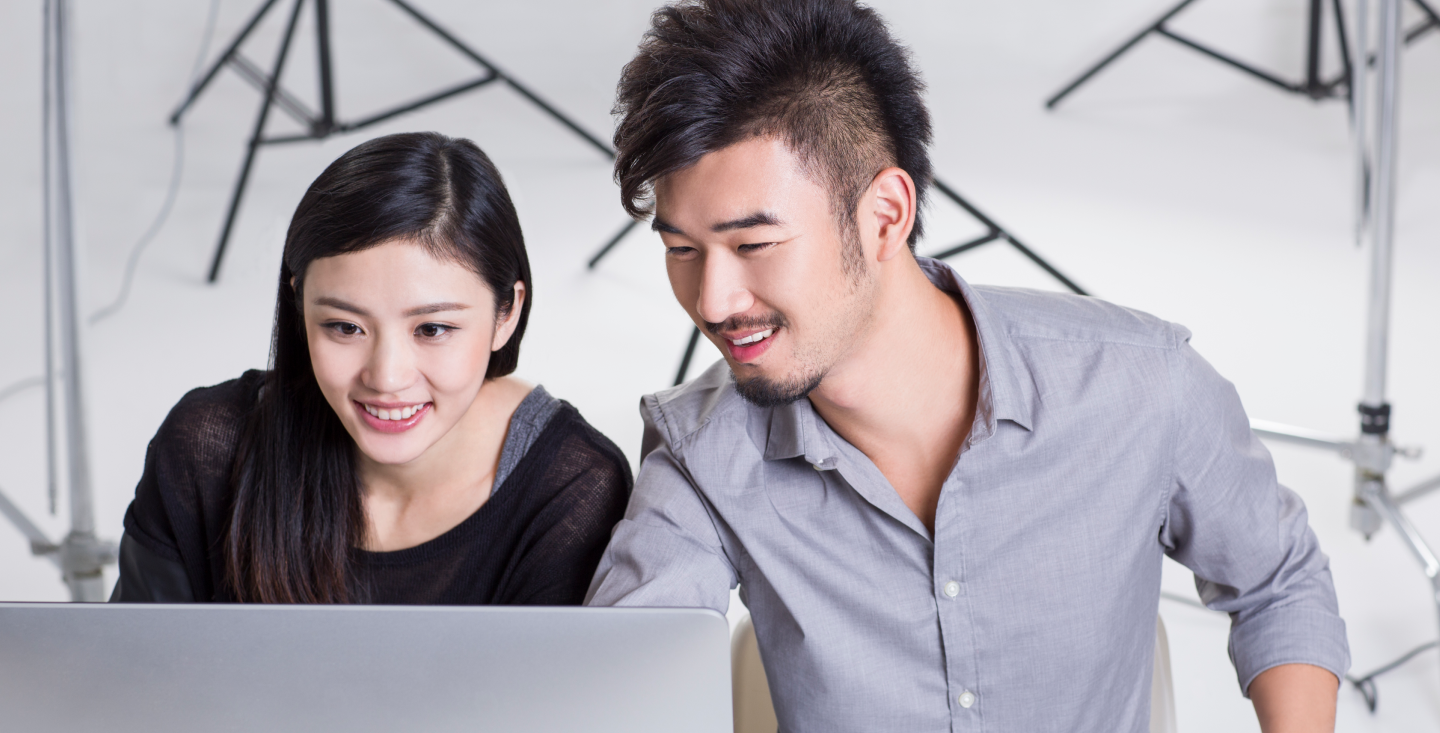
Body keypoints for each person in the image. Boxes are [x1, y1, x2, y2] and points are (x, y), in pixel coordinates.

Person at [584, 1, 1349, 731]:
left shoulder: (1141, 386)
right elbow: (622, 676)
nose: (712, 300)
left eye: (753, 245)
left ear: (885, 214)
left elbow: (1278, 581)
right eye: (680, 249)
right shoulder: (699, 454)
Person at [112, 132, 630, 605]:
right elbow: (124, 683)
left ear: (506, 314)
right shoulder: (208, 450)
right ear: (300, 307)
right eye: (345, 327)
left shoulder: (570, 491)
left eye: (432, 329)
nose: (386, 377)